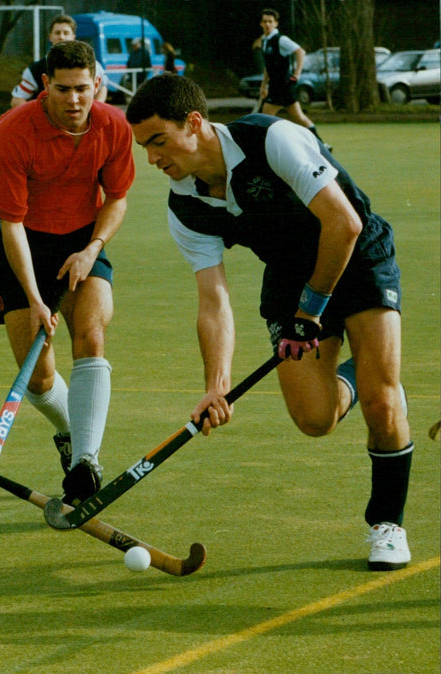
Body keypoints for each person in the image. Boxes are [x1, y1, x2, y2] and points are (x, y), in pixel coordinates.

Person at [125, 73, 413, 571]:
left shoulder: (270, 138)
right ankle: (359, 375)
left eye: (158, 141)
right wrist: (216, 384)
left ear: (194, 124)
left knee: (382, 404)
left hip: (358, 257)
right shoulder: (184, 205)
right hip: (288, 275)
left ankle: (386, 523)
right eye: (144, 147)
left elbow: (343, 223)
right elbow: (213, 297)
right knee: (314, 419)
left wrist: (311, 312)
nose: (152, 158)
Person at [0, 41, 134, 505]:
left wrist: (92, 249)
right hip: (21, 243)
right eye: (63, 89)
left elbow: (117, 198)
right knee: (40, 379)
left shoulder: (113, 126)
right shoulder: (11, 132)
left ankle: (86, 461)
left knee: (90, 334)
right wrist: (36, 296)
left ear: (97, 85)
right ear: (45, 86)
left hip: (82, 240)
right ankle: (70, 429)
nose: (74, 100)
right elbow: (11, 223)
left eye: (83, 88)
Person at [258, 8, 327, 145]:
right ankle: (321, 144)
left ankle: (261, 147)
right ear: (261, 23)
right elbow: (268, 66)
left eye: (270, 21)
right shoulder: (265, 41)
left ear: (276, 24)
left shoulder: (281, 40)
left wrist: (297, 73)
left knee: (263, 119)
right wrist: (263, 85)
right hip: (275, 86)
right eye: (265, 21)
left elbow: (300, 52)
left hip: (283, 85)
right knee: (298, 117)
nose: (267, 24)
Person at [10, 14, 108, 107]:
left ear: (73, 37)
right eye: (57, 33)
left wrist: (93, 110)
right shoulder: (35, 70)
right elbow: (17, 100)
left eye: (66, 33)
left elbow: (102, 87)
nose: (61, 37)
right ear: (50, 37)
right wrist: (39, 119)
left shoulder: (90, 64)